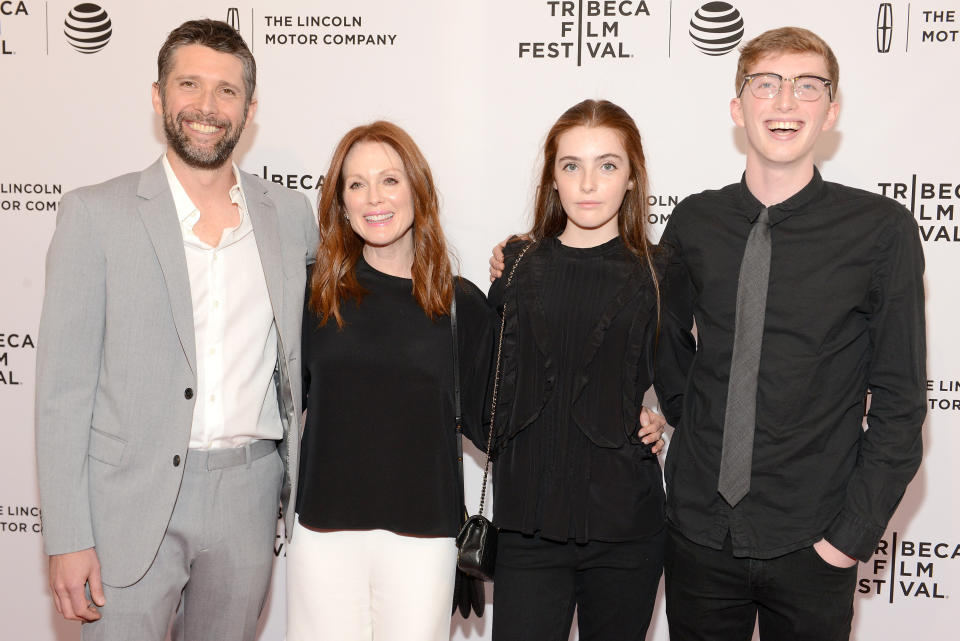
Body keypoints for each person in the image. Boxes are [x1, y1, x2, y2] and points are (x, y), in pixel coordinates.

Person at [35, 19, 317, 640]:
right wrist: (68, 535)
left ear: (249, 109)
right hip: (126, 503)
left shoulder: (291, 216)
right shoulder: (95, 214)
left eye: (226, 91)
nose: (207, 107)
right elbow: (61, 392)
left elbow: (358, 288)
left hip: (250, 492)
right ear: (159, 97)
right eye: (189, 85)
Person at [655, 27, 925, 640]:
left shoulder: (881, 231)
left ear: (831, 111)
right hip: (699, 533)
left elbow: (902, 403)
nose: (784, 103)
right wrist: (696, 424)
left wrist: (848, 539)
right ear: (737, 106)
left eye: (807, 87)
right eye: (766, 85)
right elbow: (662, 342)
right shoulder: (695, 221)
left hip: (815, 537)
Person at [285, 121, 495, 641]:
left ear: (417, 191)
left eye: (389, 180)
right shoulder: (313, 294)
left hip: (424, 540)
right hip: (323, 533)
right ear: (341, 202)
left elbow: (503, 421)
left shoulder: (458, 303)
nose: (373, 198)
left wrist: (627, 412)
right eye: (356, 184)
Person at [487, 99, 672, 641]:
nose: (589, 183)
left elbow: (692, 377)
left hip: (626, 528)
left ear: (633, 178)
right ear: (552, 178)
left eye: (608, 165)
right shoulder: (518, 263)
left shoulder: (659, 271)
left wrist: (656, 414)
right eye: (572, 166)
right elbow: (497, 375)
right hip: (527, 524)